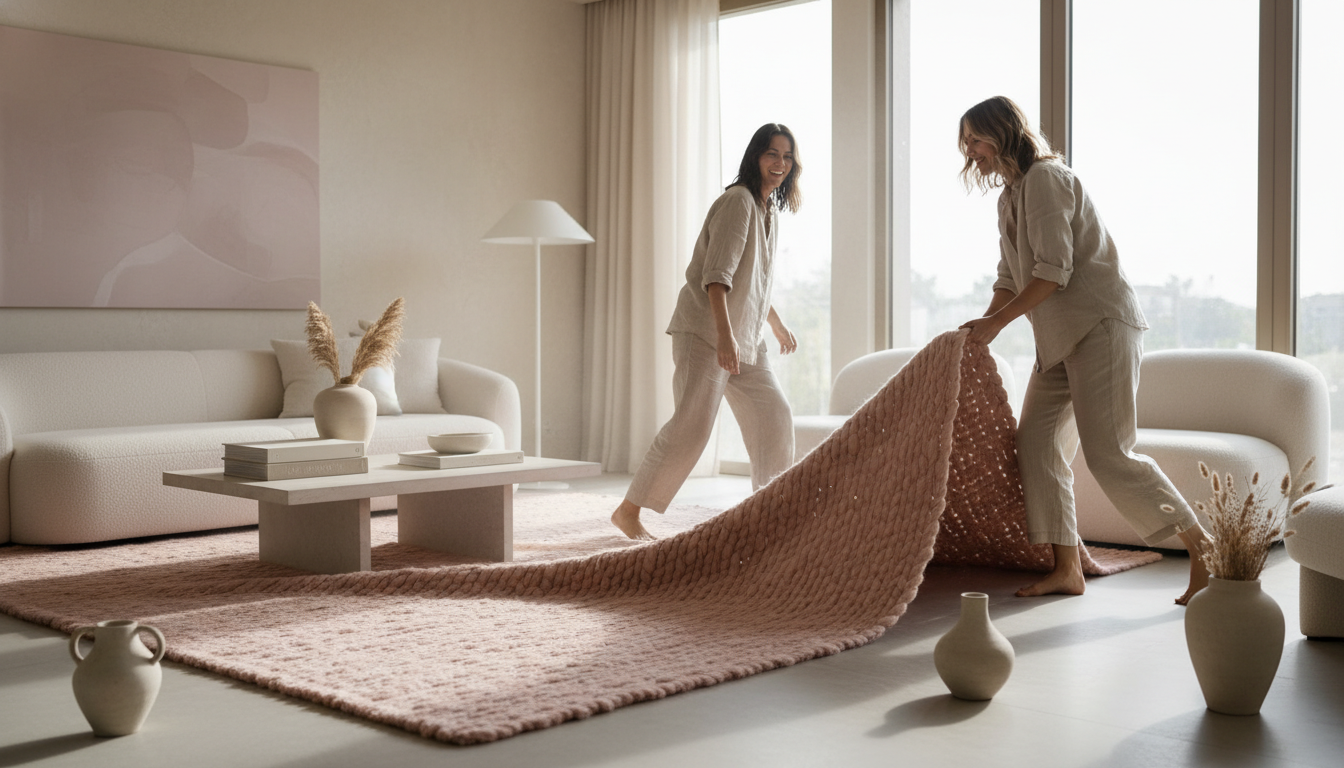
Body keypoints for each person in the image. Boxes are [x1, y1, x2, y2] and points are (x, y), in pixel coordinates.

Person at [955, 96, 1212, 605]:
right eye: (964, 143)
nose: (969, 151)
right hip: (1055, 337)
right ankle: (1066, 567)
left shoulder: (1048, 179)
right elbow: (1010, 277)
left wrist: (997, 324)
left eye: (975, 139)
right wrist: (983, 326)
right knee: (1035, 444)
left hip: (1099, 325)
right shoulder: (1009, 196)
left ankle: (1204, 549)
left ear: (1002, 132)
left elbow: (1053, 270)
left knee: (1110, 454)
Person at [611, 123, 802, 541]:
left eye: (787, 157)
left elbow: (753, 279)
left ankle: (773, 514)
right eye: (772, 154)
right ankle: (628, 512)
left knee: (774, 416)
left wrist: (776, 324)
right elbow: (717, 278)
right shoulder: (738, 202)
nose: (780, 164)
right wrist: (725, 337)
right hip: (706, 332)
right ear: (755, 157)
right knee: (692, 426)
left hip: (745, 338)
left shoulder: (767, 210)